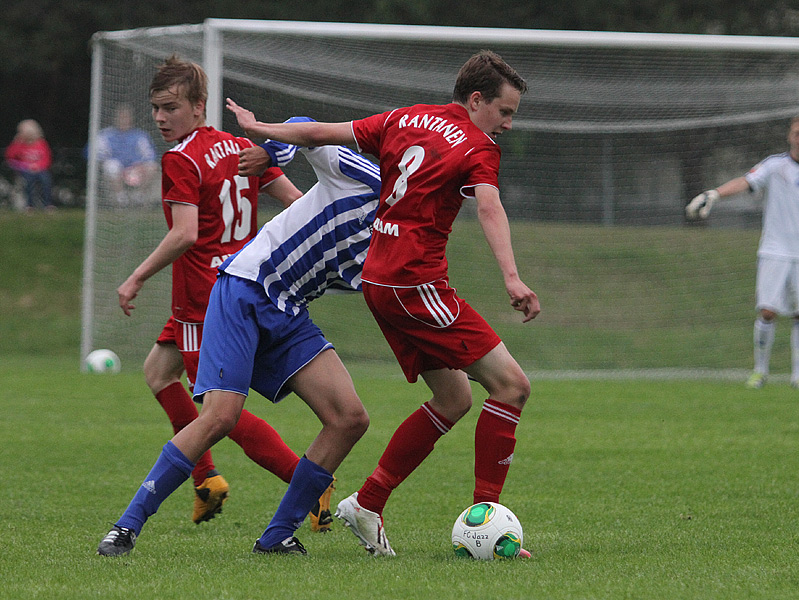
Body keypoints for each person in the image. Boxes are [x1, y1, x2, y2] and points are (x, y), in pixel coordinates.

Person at [227, 49, 540, 557]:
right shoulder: (479, 147)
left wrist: (261, 126)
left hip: (379, 281)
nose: (507, 123)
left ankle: (367, 503)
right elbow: (489, 206)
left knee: (455, 399)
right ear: (476, 99)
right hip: (415, 283)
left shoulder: (403, 118)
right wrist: (512, 277)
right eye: (504, 112)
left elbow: (317, 133)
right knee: (511, 387)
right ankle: (487, 523)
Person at [97, 116, 379, 557]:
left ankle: (276, 537)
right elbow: (305, 127)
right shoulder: (367, 176)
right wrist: (271, 151)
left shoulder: (403, 236)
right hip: (245, 286)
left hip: (288, 310)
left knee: (349, 418)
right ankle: (126, 527)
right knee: (219, 417)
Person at [109, 56, 332, 535]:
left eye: (171, 107)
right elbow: (297, 202)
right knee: (158, 372)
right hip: (244, 285)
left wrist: (137, 276)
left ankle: (304, 483)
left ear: (199, 106)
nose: (161, 118)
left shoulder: (181, 159)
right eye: (156, 108)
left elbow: (185, 233)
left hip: (203, 301)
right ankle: (206, 477)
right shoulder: (240, 147)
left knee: (218, 412)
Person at [686, 114, 799, 391]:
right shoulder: (774, 166)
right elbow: (745, 182)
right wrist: (714, 194)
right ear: (790, 137)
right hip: (774, 250)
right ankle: (760, 372)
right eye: (797, 133)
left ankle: (798, 377)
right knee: (767, 311)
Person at [94, 104, 158, 206]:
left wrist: (139, 166)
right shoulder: (105, 135)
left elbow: (149, 155)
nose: (124, 120)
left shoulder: (140, 135)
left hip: (135, 170)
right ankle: (121, 199)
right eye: (121, 117)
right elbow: (99, 156)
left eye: (126, 117)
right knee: (111, 166)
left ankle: (139, 197)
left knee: (152, 167)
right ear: (116, 118)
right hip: (117, 171)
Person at [4, 119, 53, 211]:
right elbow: (10, 156)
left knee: (45, 180)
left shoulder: (42, 144)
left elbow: (46, 159)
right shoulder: (19, 144)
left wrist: (38, 166)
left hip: (40, 169)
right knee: (29, 181)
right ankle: (29, 205)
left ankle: (48, 204)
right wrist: (17, 143)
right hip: (24, 169)